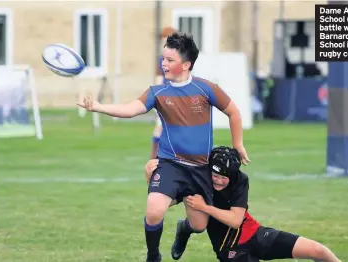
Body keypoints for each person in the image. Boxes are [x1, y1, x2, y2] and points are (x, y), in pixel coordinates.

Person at [77, 32, 250, 262]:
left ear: (186, 64)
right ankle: (153, 256)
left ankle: (184, 229)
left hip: (200, 169)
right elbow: (131, 109)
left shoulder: (206, 89)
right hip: (171, 164)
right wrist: (98, 107)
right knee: (154, 209)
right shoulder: (157, 92)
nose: (164, 64)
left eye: (170, 60)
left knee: (199, 225)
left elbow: (233, 112)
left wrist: (238, 144)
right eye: (163, 59)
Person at [145, 147, 342, 262]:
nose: (219, 181)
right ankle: (185, 228)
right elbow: (164, 203)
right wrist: (150, 178)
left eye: (224, 178)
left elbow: (236, 220)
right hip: (230, 250)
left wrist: (205, 207)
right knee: (197, 225)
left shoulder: (240, 179)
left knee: (318, 251)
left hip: (256, 234)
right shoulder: (199, 181)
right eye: (215, 175)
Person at [151, 26, 177, 159]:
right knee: (160, 127)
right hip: (166, 97)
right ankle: (155, 159)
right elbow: (158, 78)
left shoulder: (180, 58)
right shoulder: (162, 59)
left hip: (178, 97)